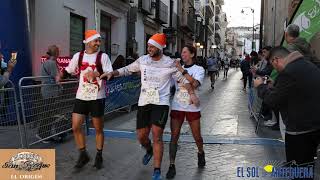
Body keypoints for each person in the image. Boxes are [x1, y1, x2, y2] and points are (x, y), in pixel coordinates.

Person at [100, 33, 199, 180]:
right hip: (144, 102)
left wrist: (191, 93)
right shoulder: (143, 60)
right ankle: (148, 149)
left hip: (161, 103)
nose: (149, 49)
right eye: (148, 46)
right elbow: (127, 69)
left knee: (157, 135)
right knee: (141, 136)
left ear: (159, 47)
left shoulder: (170, 63)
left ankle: (157, 170)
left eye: (152, 46)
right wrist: (112, 73)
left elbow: (183, 81)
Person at [254, 46, 320, 168]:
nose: (275, 69)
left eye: (273, 65)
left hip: (299, 131)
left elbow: (273, 101)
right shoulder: (307, 65)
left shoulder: (288, 72)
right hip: (314, 127)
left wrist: (260, 86)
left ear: (276, 60)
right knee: (306, 165)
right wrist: (274, 86)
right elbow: (296, 91)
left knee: (299, 170)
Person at [60, 30, 113, 170]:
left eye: (99, 41)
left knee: (98, 128)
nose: (98, 43)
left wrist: (98, 73)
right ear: (88, 41)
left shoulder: (103, 57)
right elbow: (69, 69)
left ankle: (99, 155)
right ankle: (83, 154)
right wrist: (61, 75)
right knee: (76, 126)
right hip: (82, 96)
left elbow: (110, 74)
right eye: (96, 41)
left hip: (97, 97)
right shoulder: (79, 56)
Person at [165, 45, 205, 179]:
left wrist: (181, 69)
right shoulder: (175, 69)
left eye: (185, 52)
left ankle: (200, 152)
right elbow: (169, 84)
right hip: (177, 106)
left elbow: (195, 84)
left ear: (192, 54)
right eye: (182, 52)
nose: (182, 54)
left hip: (192, 106)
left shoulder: (199, 69)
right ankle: (171, 165)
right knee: (174, 136)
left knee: (197, 136)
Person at [37, 45, 62, 143]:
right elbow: (57, 78)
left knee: (47, 113)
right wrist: (60, 86)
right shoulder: (52, 63)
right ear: (56, 53)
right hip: (50, 92)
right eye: (58, 52)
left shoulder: (45, 62)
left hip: (45, 91)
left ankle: (44, 134)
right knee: (48, 114)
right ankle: (43, 134)